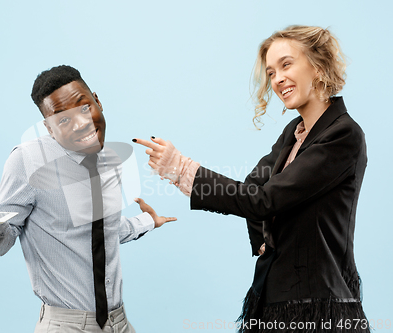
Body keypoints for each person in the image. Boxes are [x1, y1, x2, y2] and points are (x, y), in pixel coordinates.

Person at [134, 25, 369, 332]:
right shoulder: (293, 133)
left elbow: (263, 201)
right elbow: (252, 190)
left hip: (316, 305)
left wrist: (181, 168)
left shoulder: (342, 134)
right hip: (276, 297)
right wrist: (264, 242)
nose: (277, 79)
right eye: (271, 72)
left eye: (286, 65)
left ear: (317, 65)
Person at [0, 65, 176, 333]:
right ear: (49, 128)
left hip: (119, 323)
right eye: (63, 120)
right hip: (68, 327)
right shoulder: (27, 160)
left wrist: (149, 220)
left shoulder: (107, 160)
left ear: (98, 101)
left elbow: (103, 230)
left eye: (84, 107)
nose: (82, 123)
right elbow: (5, 238)